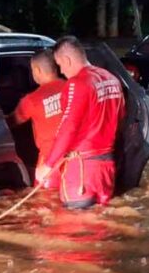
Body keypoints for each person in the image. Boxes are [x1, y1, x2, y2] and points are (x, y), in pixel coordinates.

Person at [36, 36, 125, 209]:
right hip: (106, 169)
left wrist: (49, 165)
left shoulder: (77, 83)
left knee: (74, 229)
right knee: (99, 225)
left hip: (82, 171)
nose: (61, 71)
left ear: (67, 60)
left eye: (60, 65)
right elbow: (120, 116)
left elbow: (68, 129)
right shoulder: (112, 79)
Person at [8, 50, 67, 188]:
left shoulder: (32, 99)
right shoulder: (73, 87)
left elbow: (10, 123)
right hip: (77, 159)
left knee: (44, 203)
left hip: (48, 161)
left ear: (37, 70)